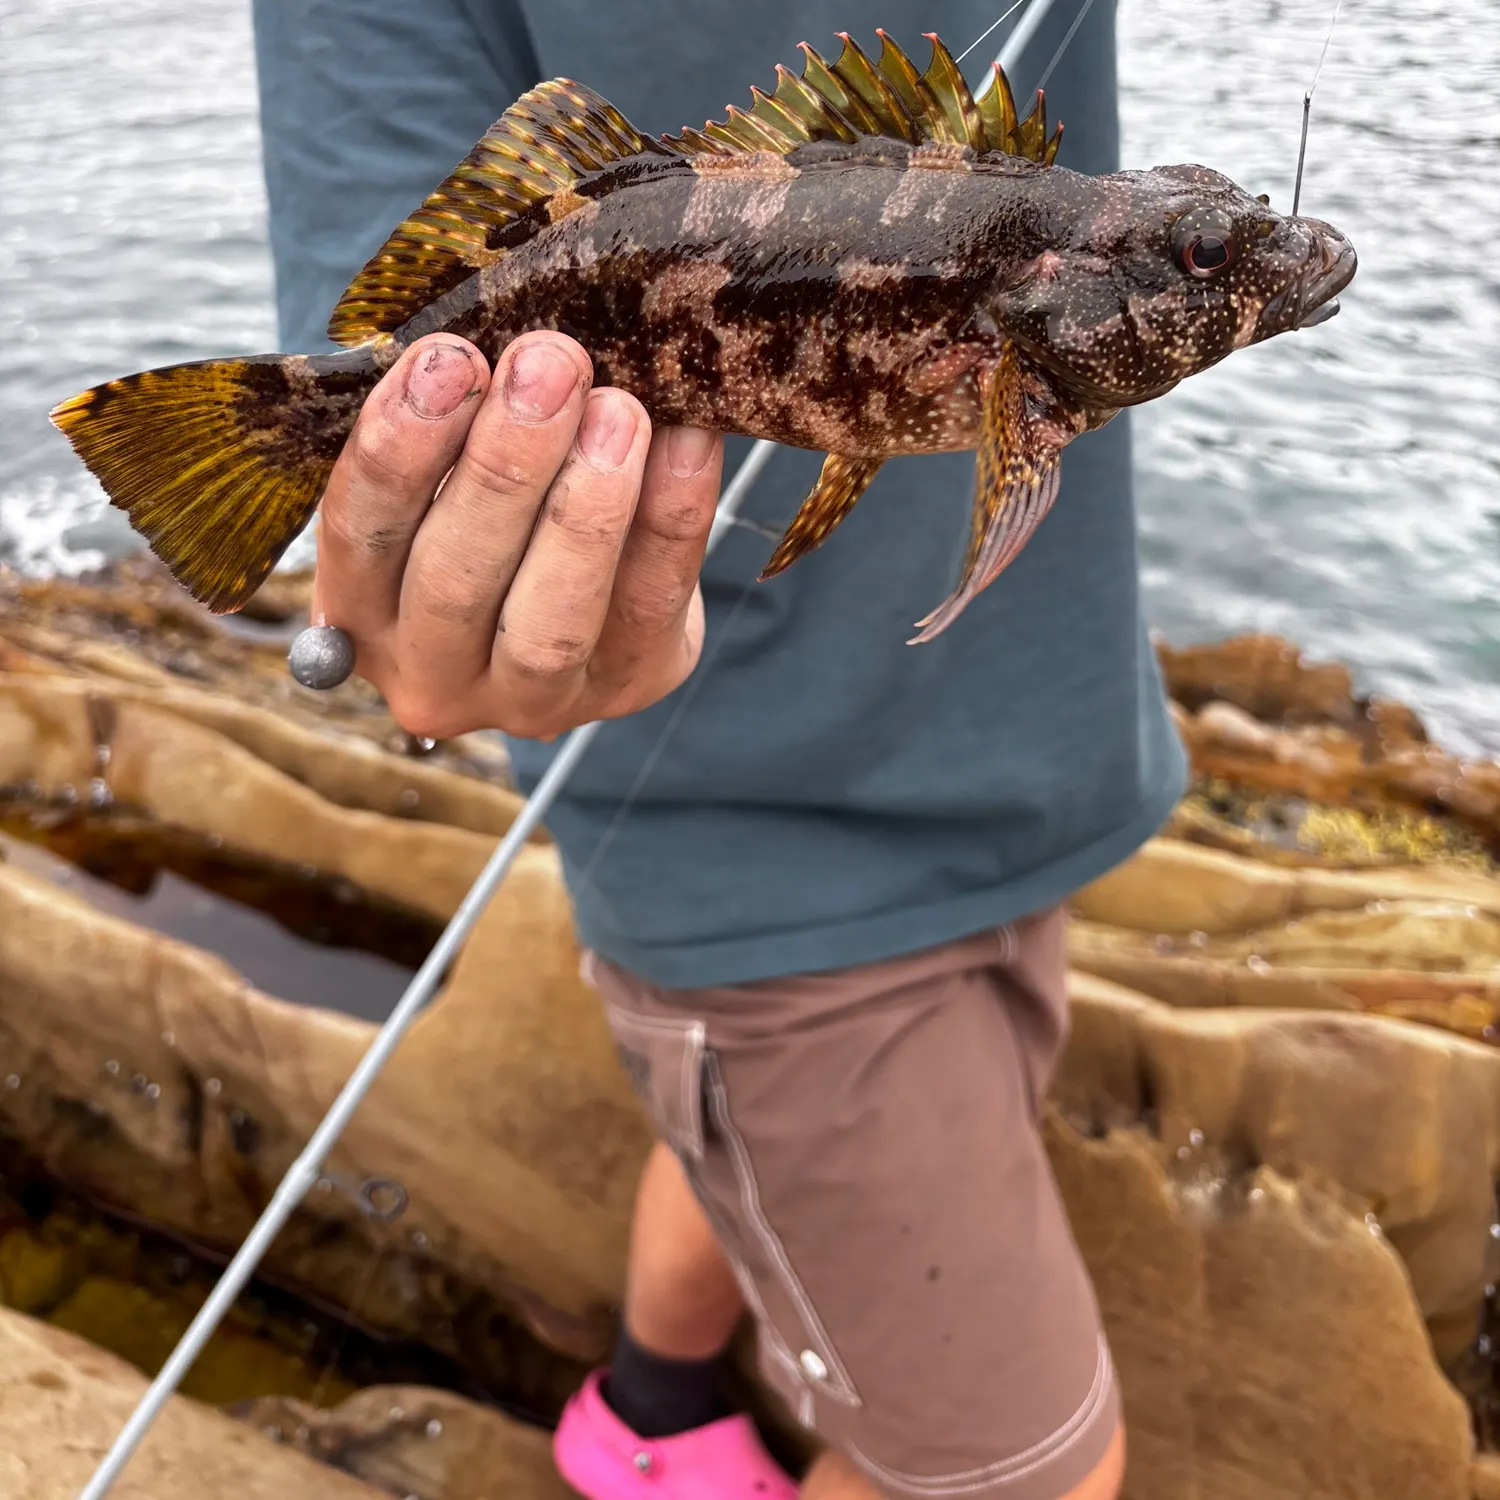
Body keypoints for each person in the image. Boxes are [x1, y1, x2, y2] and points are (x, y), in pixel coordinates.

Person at [251, 2, 1181, 1496]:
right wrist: (424, 593)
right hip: (763, 858)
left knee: (749, 1153)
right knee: (1022, 1474)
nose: (1240, 273)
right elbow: (388, 526)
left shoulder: (1052, 284)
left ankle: (649, 1408)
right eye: (1194, 264)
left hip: (1029, 778)